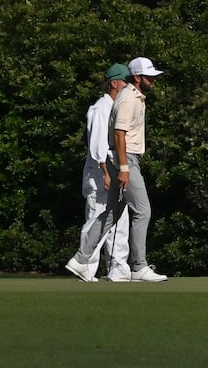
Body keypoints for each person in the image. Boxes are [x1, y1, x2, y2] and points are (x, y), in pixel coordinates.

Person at [65, 56, 169, 283]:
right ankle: (139, 266)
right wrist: (123, 168)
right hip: (126, 160)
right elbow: (119, 134)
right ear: (138, 78)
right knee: (143, 211)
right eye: (150, 77)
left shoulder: (133, 97)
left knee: (112, 213)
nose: (154, 81)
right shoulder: (128, 99)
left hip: (124, 159)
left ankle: (81, 260)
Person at [76, 63, 132, 281]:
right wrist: (105, 172)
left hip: (113, 168)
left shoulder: (117, 106)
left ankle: (119, 269)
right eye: (125, 83)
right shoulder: (102, 107)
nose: (127, 88)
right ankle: (86, 267)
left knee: (119, 218)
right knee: (96, 217)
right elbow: (97, 144)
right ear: (114, 83)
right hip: (100, 172)